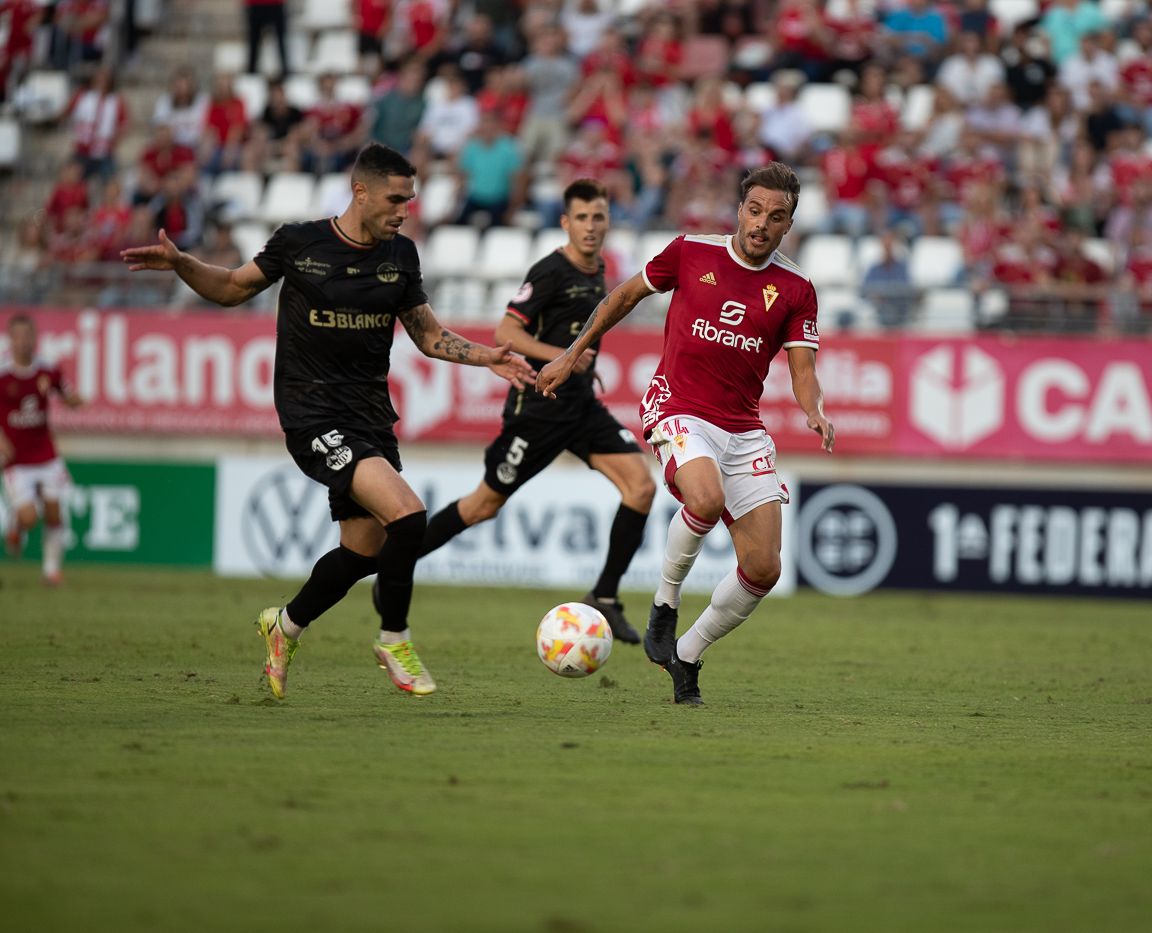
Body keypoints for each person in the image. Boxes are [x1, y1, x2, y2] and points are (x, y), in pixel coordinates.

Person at [121, 143, 534, 700]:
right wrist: (182, 265)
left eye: (410, 200)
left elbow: (428, 334)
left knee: (362, 551)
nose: (404, 210)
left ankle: (284, 625)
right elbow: (231, 288)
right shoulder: (300, 242)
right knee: (408, 518)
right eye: (394, 198)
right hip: (311, 410)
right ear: (359, 191)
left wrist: (490, 357)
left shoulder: (401, 256)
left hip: (370, 415)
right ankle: (395, 638)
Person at [537, 162, 836, 706]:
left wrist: (814, 409)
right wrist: (571, 352)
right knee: (704, 496)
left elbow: (803, 370)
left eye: (776, 217)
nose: (761, 224)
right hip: (677, 405)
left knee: (764, 568)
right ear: (739, 209)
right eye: (754, 210)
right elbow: (622, 297)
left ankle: (687, 654)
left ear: (788, 225)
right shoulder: (691, 251)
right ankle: (664, 605)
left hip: (742, 428)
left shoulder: (797, 289)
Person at [415, 179, 655, 642]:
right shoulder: (550, 270)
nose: (590, 226)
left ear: (608, 221)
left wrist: (581, 368)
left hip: (580, 406)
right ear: (565, 222)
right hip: (537, 413)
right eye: (581, 217)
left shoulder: (599, 269)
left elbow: (577, 334)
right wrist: (561, 356)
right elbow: (507, 329)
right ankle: (396, 564)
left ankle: (604, 597)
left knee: (640, 487)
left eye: (598, 217)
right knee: (483, 506)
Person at [1, 314, 83, 585]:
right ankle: (16, 526)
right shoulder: (3, 374)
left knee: (54, 511)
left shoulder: (48, 370)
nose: (23, 342)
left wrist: (75, 400)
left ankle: (51, 571)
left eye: (28, 336)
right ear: (10, 339)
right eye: (18, 337)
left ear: (35, 339)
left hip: (45, 453)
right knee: (29, 517)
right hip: (16, 459)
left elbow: (68, 394)